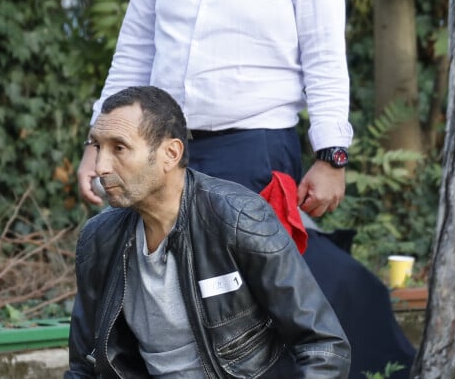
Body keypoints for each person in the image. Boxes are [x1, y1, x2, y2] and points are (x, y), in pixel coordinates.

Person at [76, 0, 416, 377]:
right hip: (159, 148)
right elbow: (133, 50)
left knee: (242, 305)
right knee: (156, 288)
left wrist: (332, 155)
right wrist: (98, 142)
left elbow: (326, 61)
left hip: (254, 149)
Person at [65, 85, 351, 378]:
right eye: (97, 147)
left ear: (171, 153)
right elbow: (84, 365)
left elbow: (323, 347)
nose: (100, 166)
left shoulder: (238, 217)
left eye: (119, 148)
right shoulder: (99, 238)